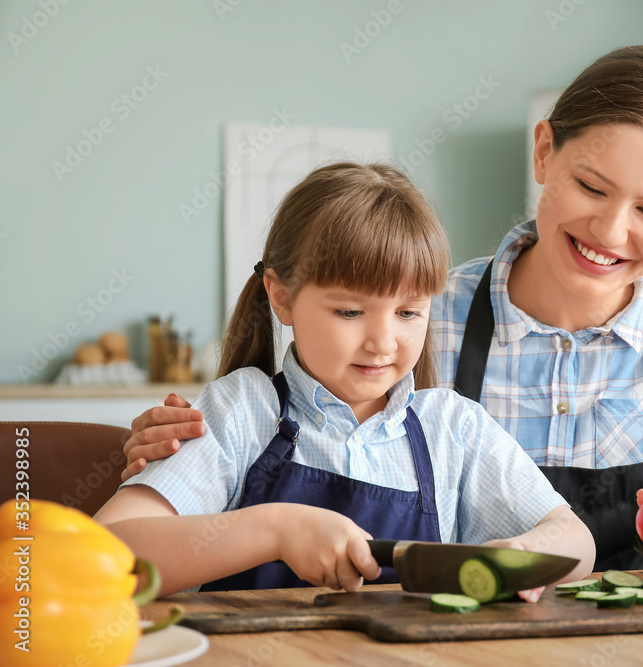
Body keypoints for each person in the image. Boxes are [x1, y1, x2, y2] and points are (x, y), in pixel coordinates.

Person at [119, 46, 643, 596]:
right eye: (591, 186)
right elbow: (135, 539)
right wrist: (196, 452)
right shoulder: (424, 314)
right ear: (544, 151)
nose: (612, 229)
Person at [94, 162, 595, 598]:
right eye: (351, 311)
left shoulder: (454, 429)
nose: (383, 341)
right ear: (282, 297)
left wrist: (523, 553)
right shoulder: (240, 412)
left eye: (408, 312)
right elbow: (103, 556)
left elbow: (576, 541)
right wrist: (274, 528)